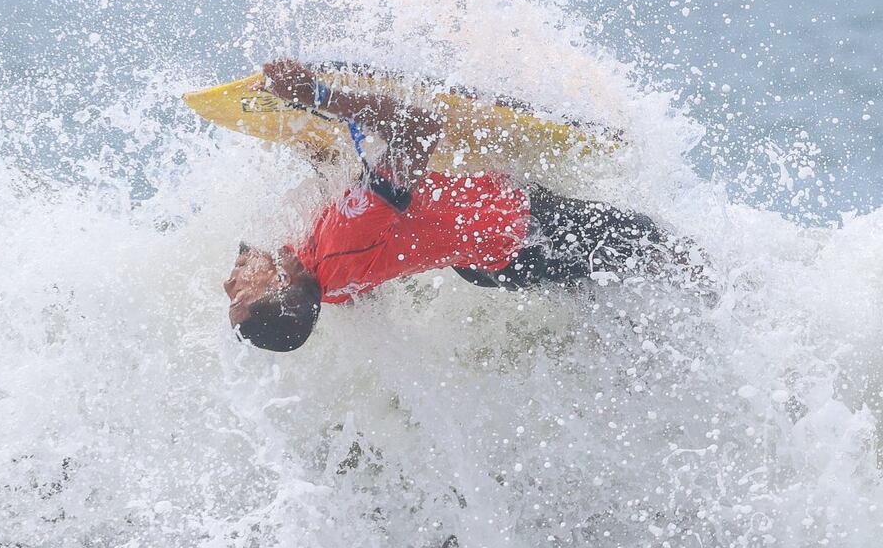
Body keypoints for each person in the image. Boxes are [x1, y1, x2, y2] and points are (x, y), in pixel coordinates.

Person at [224, 59, 704, 352]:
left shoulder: (317, 274)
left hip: (485, 256)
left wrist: (313, 143)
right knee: (655, 243)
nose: (229, 282)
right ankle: (728, 303)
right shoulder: (341, 248)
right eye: (240, 297)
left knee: (605, 290)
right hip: (522, 236)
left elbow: (352, 224)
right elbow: (420, 130)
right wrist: (320, 96)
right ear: (283, 286)